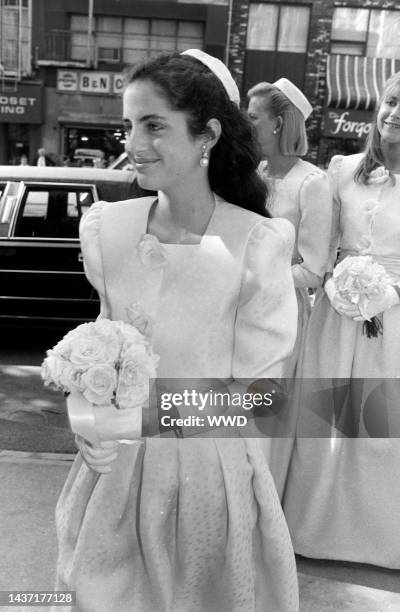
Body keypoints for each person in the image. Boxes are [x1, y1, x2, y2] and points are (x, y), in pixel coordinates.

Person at [52, 50, 299, 611]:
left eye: (154, 125)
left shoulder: (257, 243)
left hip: (206, 477)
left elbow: (261, 395)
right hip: (110, 477)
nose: (133, 143)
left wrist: (143, 416)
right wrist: (87, 417)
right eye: (128, 125)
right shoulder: (108, 230)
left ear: (207, 135)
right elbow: (101, 348)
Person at [283, 71, 400, 569]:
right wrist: (334, 283)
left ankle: (378, 539)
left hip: (392, 319)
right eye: (392, 101)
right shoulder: (342, 170)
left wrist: (388, 293)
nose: (395, 113)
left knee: (380, 425)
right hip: (335, 312)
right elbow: (321, 246)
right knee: (323, 416)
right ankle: (310, 530)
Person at [247, 79, 332, 498]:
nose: (246, 125)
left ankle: (264, 507)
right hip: (243, 308)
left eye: (253, 117)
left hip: (283, 312)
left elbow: (315, 269)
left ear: (280, 123)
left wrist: (260, 276)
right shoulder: (254, 173)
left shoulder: (312, 183)